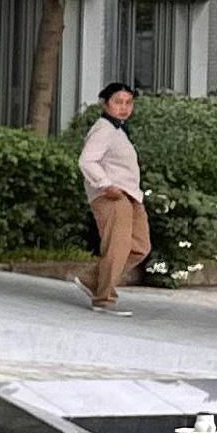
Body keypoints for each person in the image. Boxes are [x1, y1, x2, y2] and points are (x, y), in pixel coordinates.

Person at [80, 81, 147, 310]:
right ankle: (103, 298)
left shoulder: (117, 130)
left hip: (130, 194)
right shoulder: (103, 129)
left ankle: (93, 279)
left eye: (129, 102)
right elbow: (87, 160)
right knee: (117, 247)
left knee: (140, 246)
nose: (124, 107)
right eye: (118, 102)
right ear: (105, 104)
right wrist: (105, 184)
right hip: (112, 195)